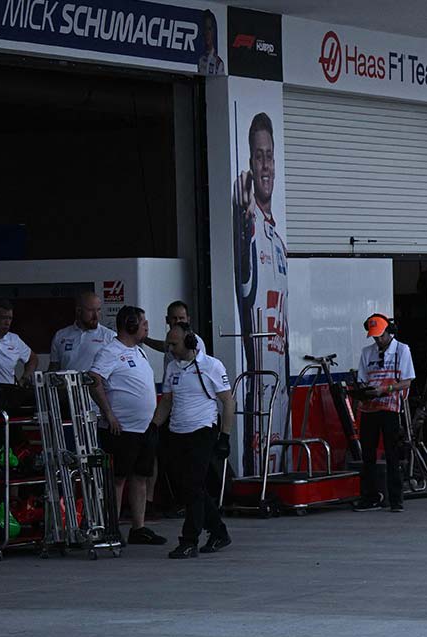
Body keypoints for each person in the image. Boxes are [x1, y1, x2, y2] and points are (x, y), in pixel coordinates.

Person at [152, 323, 233, 558]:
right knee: (186, 488)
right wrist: (154, 426)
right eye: (168, 343)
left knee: (193, 486)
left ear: (189, 343)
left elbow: (228, 402)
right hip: (177, 432)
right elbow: (166, 401)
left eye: (174, 344)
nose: (170, 348)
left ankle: (189, 540)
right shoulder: (172, 368)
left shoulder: (211, 366)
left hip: (202, 431)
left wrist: (225, 436)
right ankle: (219, 532)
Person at [86, 306, 165, 546]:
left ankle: (138, 527)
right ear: (130, 324)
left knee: (140, 476)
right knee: (117, 479)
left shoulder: (139, 352)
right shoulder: (110, 351)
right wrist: (108, 414)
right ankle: (111, 526)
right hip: (121, 428)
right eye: (143, 323)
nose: (147, 328)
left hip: (143, 427)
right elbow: (94, 380)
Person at [234, 113, 288, 381]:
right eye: (259, 157)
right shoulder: (249, 224)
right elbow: (242, 210)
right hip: (259, 386)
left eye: (269, 157)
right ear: (251, 166)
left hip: (281, 383)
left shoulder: (279, 243)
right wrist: (244, 213)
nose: (265, 165)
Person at [353, 314, 415, 512]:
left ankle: (396, 500)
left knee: (392, 454)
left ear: (390, 332)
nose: (377, 340)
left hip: (391, 409)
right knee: (368, 455)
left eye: (380, 336)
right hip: (369, 408)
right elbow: (362, 380)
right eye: (374, 337)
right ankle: (370, 497)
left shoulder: (402, 350)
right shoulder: (367, 352)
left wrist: (384, 390)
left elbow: (407, 382)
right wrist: (363, 392)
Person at [44, 289, 116, 374]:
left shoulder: (110, 337)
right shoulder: (60, 335)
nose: (96, 315)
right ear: (78, 311)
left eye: (98, 310)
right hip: (67, 386)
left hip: (97, 386)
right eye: (91, 310)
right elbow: (53, 369)